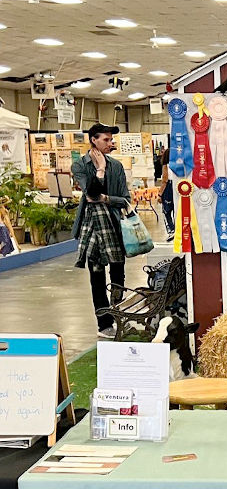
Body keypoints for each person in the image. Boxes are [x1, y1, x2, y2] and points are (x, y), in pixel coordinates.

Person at [71, 123, 132, 339]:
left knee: (118, 275)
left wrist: (105, 199)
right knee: (96, 278)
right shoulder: (80, 166)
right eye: (106, 140)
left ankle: (119, 317)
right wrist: (100, 170)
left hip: (115, 226)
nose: (110, 143)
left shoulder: (117, 166)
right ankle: (104, 324)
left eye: (111, 140)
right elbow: (90, 192)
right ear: (93, 140)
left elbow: (125, 199)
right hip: (92, 229)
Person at [159, 146, 175, 241]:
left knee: (166, 211)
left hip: (168, 189)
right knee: (177, 210)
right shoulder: (178, 166)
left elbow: (164, 180)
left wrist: (160, 194)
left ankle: (171, 231)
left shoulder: (166, 166)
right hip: (177, 187)